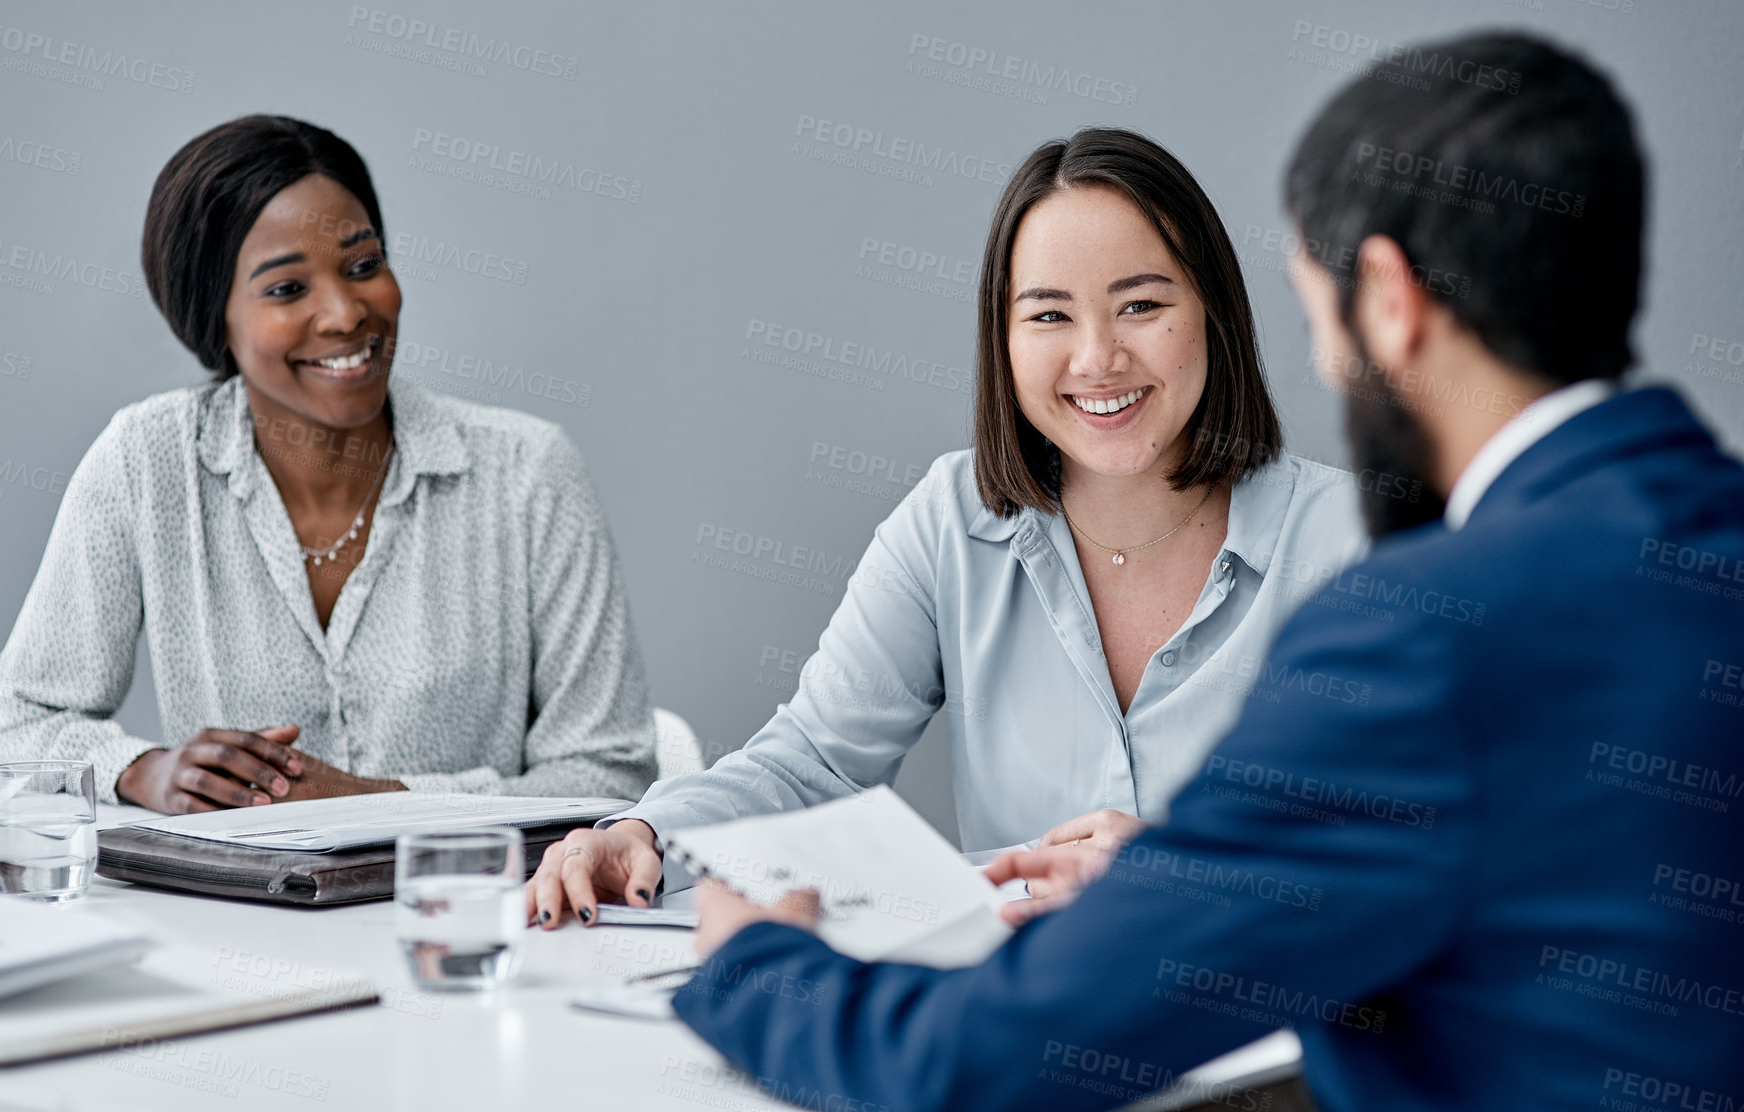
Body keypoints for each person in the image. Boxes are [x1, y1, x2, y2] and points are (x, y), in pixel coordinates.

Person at [670, 32, 1744, 1111]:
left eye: (1316, 305)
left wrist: (757, 969)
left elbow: (984, 1063)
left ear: (1387, 298)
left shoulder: (1416, 629)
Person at [529, 128, 1370, 927]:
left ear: (1213, 313)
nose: (1097, 358)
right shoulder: (951, 521)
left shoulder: (1351, 543)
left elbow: (1430, 842)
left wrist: (1190, 873)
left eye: (1140, 305)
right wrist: (642, 833)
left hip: (1283, 1031)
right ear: (1000, 340)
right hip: (1024, 1024)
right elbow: (812, 761)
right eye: (1047, 316)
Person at [0, 116, 656, 813]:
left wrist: (379, 801)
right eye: (285, 290)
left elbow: (607, 775)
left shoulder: (528, 473)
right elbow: (22, 724)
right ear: (215, 321)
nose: (343, 314)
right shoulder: (146, 463)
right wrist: (141, 770)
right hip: (228, 917)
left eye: (363, 267)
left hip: (457, 909)